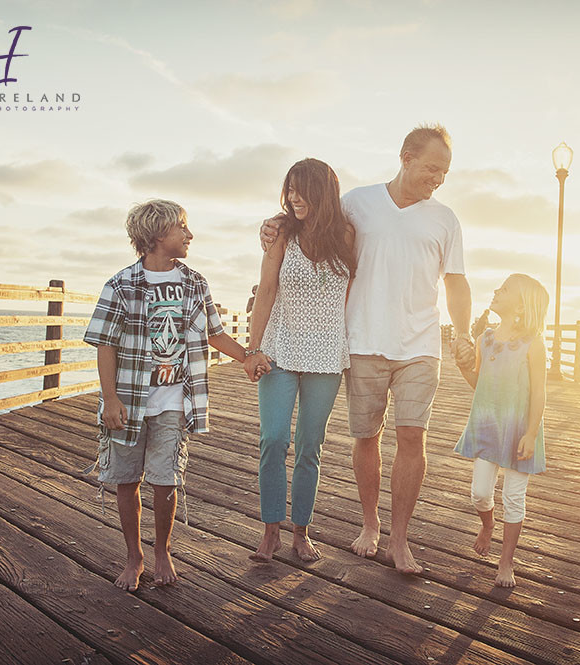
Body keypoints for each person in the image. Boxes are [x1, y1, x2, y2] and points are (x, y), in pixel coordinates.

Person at [261, 125, 474, 574]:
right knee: (366, 438)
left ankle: (400, 540)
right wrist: (275, 222)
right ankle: (370, 524)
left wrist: (463, 332)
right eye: (432, 168)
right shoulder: (357, 202)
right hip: (362, 341)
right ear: (406, 157)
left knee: (412, 436)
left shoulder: (445, 219)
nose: (438, 178)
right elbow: (310, 216)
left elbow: (456, 282)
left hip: (420, 344)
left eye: (445, 172)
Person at [84, 199, 247, 592]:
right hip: (130, 399)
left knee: (165, 480)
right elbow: (104, 343)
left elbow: (214, 333)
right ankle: (133, 555)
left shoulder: (194, 282)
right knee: (126, 480)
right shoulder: (121, 284)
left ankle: (162, 550)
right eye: (182, 228)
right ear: (157, 236)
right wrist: (110, 399)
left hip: (175, 400)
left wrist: (248, 358)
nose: (190, 235)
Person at [244, 158, 356, 563]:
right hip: (280, 348)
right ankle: (270, 531)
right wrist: (252, 348)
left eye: (300, 189)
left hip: (327, 355)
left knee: (311, 446)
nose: (292, 197)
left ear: (322, 191)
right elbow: (267, 289)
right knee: (273, 439)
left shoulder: (346, 233)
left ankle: (301, 533)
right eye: (288, 190)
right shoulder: (282, 233)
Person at [453, 273, 548, 587]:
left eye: (505, 289)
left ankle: (506, 561)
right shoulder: (486, 339)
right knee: (480, 493)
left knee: (514, 496)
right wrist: (466, 367)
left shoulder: (533, 343)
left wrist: (532, 433)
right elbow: (479, 384)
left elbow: (539, 393)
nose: (496, 290)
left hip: (520, 429)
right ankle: (487, 524)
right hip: (488, 427)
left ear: (521, 304)